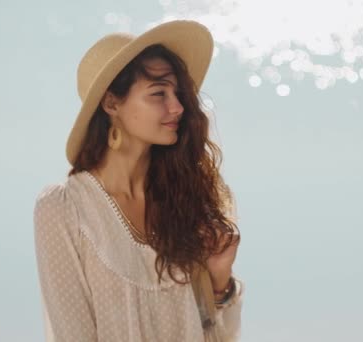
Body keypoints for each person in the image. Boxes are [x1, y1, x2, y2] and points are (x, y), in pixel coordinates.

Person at [33, 20, 244, 342]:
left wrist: (219, 280)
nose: (177, 107)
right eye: (158, 93)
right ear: (111, 103)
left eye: (177, 93)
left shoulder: (188, 200)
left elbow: (218, 335)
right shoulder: (65, 209)